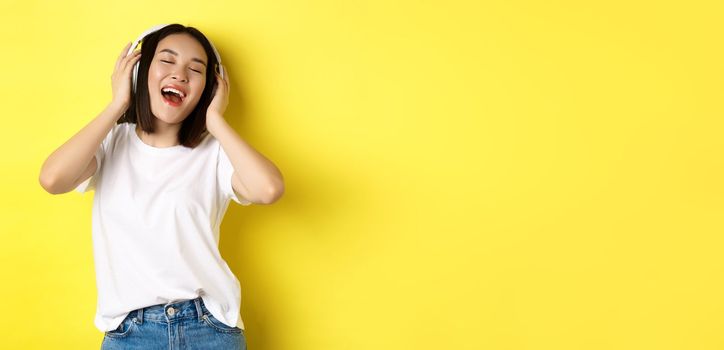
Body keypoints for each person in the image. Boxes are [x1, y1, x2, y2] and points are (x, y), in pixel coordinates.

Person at [38, 23, 284, 349]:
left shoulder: (215, 152)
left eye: (195, 70)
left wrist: (216, 121)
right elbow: (52, 180)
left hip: (209, 330)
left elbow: (268, 189)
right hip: (130, 333)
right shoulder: (110, 143)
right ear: (140, 72)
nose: (180, 74)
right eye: (167, 61)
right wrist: (117, 105)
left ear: (209, 89)